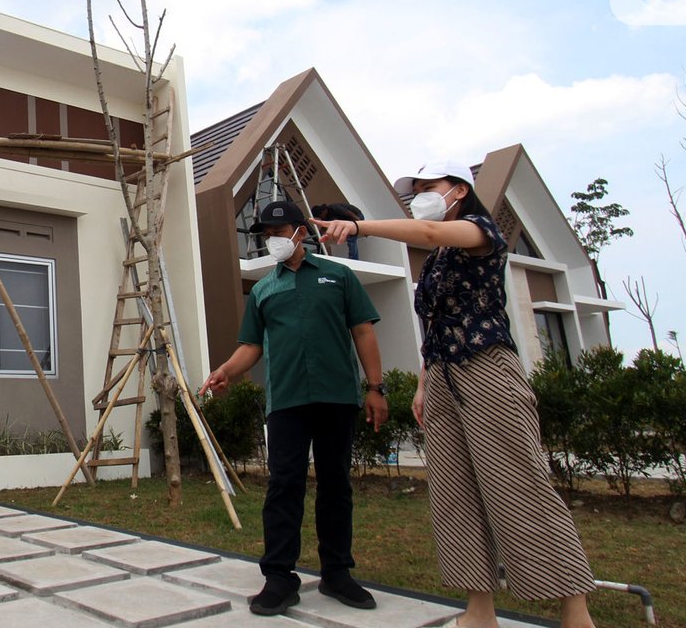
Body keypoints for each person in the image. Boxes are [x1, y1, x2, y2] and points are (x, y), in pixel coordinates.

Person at [312, 160, 597, 628]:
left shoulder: (478, 231)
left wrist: (359, 225)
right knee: (454, 493)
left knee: (519, 484)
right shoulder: (440, 260)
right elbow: (434, 324)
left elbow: (426, 232)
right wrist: (424, 385)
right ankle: (479, 610)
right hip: (443, 376)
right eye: (416, 189)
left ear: (459, 190)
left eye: (430, 186)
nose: (421, 194)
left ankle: (574, 610)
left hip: (487, 369)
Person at [200, 200, 389, 617]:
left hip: (337, 396)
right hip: (285, 401)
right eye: (266, 235)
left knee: (336, 484)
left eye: (279, 232)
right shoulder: (265, 289)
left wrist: (376, 387)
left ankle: (337, 573)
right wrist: (226, 371)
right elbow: (251, 347)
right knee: (284, 486)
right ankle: (280, 578)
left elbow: (363, 331)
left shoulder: (339, 277)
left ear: (301, 231)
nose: (273, 241)